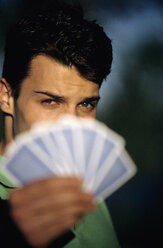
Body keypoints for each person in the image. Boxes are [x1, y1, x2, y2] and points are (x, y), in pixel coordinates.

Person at [0, 1, 120, 247]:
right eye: (51, 102)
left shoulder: (89, 193)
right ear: (7, 97)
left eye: (86, 104)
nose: (72, 126)